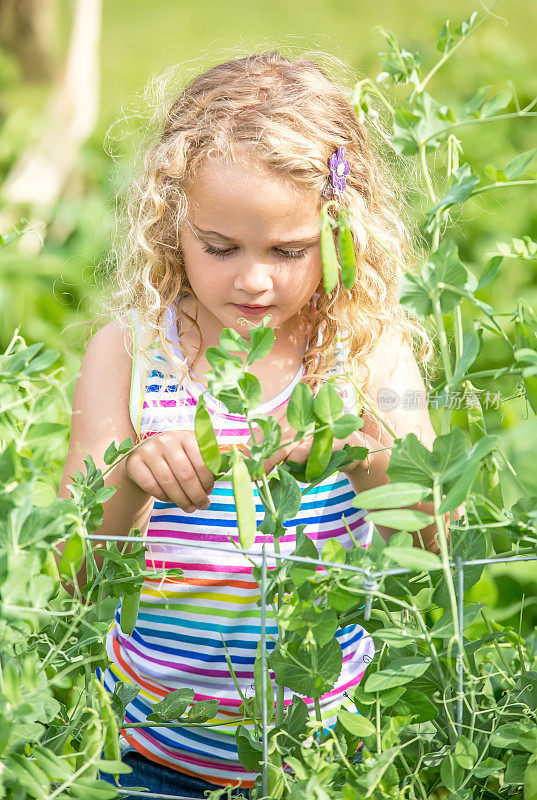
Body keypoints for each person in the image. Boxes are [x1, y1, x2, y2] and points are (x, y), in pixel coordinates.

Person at [57, 50, 461, 799]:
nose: (252, 278)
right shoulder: (127, 353)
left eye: (287, 250)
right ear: (171, 223)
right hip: (145, 748)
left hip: (326, 757)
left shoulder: (369, 357)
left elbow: (438, 539)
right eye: (220, 248)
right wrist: (134, 475)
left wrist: (362, 453)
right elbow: (68, 568)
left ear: (343, 231)